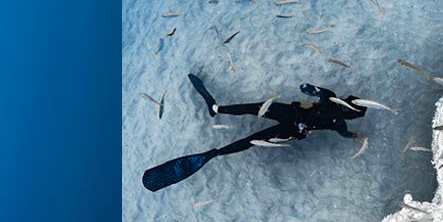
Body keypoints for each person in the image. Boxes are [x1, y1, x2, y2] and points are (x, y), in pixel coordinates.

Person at [142, 74, 371, 192]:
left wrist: (314, 90)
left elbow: (307, 89)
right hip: (292, 123)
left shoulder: (332, 101)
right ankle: (216, 143)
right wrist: (356, 137)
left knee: (253, 129)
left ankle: (215, 114)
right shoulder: (337, 117)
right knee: (252, 133)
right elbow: (342, 131)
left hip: (290, 120)